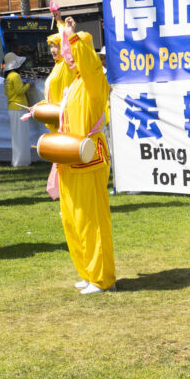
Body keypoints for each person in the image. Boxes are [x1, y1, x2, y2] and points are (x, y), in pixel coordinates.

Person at [54, 20, 115, 294]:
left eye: (73, 51)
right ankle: (87, 271)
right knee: (72, 218)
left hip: (89, 158)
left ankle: (102, 277)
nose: (68, 55)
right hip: (69, 157)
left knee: (91, 219)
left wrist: (74, 37)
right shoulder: (74, 84)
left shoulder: (94, 79)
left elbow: (89, 64)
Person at [3, 50, 31, 168]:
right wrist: (29, 85)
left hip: (11, 107)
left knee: (16, 137)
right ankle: (22, 161)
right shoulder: (16, 76)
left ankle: (17, 160)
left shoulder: (8, 77)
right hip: (20, 107)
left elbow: (8, 92)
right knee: (22, 136)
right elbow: (20, 91)